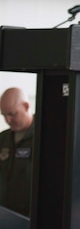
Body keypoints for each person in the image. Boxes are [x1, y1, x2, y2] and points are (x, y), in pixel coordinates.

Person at [0, 87, 35, 217]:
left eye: (12, 114)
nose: (8, 120)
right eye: (4, 115)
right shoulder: (3, 139)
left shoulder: (41, 137)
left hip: (28, 217)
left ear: (26, 107)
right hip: (4, 214)